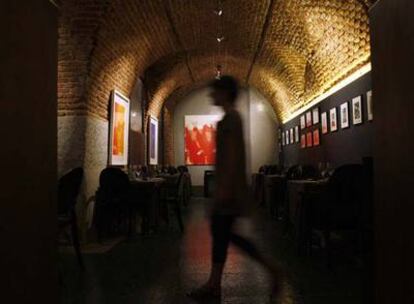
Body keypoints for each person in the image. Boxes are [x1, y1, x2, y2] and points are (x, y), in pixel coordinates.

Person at [188, 76, 281, 300]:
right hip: (230, 189)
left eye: (215, 91)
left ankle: (271, 270)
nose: (212, 95)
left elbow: (230, 157)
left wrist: (223, 191)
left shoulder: (230, 119)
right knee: (224, 235)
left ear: (225, 93)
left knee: (225, 235)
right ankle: (214, 283)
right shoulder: (233, 118)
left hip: (228, 191)